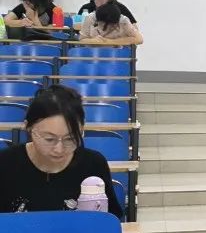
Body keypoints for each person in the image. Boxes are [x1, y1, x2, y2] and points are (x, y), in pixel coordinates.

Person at [0, 85, 122, 218]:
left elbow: (110, 221)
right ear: (28, 128)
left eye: (70, 139)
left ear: (82, 128)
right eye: (49, 139)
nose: (59, 149)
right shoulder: (6, 163)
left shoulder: (93, 164)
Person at [78, 2, 144, 45]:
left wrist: (109, 42)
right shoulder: (90, 18)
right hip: (94, 53)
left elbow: (139, 39)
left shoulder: (123, 21)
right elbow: (82, 40)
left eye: (110, 26)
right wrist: (93, 41)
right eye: (102, 25)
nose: (106, 29)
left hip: (117, 54)